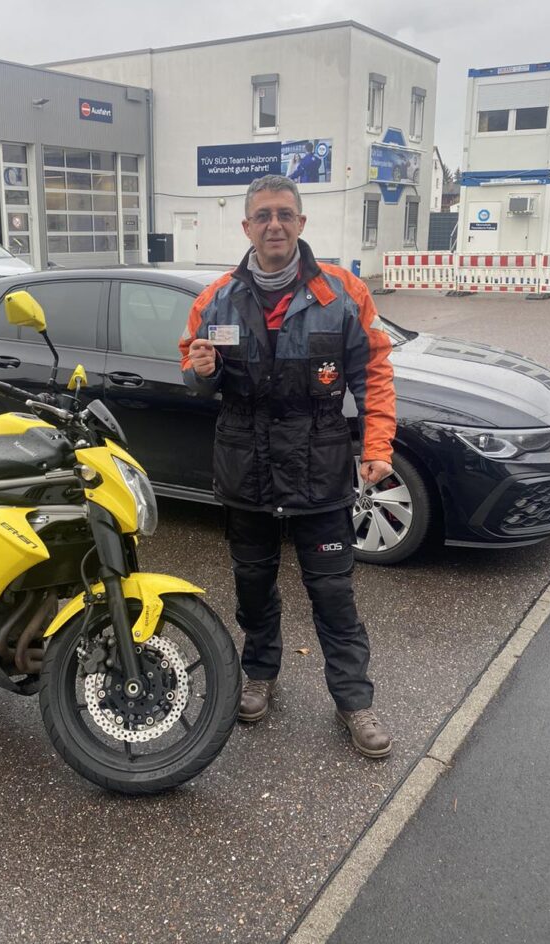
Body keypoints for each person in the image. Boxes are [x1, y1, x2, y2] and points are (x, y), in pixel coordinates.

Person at [179, 174, 396, 758]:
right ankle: (259, 674)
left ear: (301, 223)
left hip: (319, 470)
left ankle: (354, 701)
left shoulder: (343, 292)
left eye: (284, 214)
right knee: (253, 587)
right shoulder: (216, 299)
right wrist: (199, 370)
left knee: (333, 593)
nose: (273, 224)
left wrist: (377, 446)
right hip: (245, 471)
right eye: (263, 215)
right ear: (246, 227)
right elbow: (194, 371)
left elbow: (375, 373)